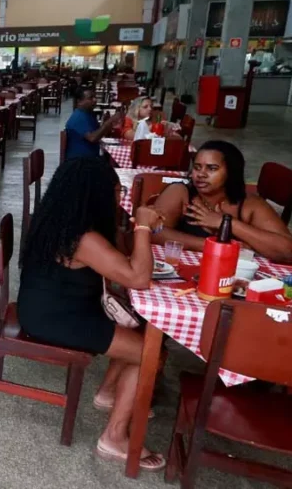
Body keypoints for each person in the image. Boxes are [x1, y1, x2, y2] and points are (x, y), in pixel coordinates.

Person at [18, 157, 166, 472]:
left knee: (141, 334)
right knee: (151, 353)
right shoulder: (83, 237)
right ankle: (114, 438)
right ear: (96, 193)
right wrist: (142, 226)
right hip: (56, 319)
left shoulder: (62, 220)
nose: (120, 197)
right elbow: (137, 278)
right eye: (116, 191)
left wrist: (128, 228)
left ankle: (109, 393)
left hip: (50, 308)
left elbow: (120, 261)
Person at [154, 141, 292, 263]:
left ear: (231, 172)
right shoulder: (180, 192)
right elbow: (153, 231)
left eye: (212, 168)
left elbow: (287, 251)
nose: (201, 174)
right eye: (197, 167)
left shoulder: (249, 204)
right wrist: (214, 246)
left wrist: (227, 223)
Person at [64, 87, 121, 159]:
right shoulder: (78, 117)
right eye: (90, 98)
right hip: (79, 161)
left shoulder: (88, 114)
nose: (95, 100)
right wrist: (109, 122)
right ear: (79, 101)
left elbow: (99, 133)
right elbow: (92, 138)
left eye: (95, 97)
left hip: (90, 158)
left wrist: (108, 124)